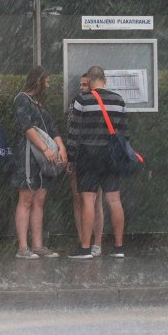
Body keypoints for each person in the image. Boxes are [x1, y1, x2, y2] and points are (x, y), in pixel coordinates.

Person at [67, 65, 127, 259]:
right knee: (114, 200)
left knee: (88, 200)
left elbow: (73, 132)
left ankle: (85, 247)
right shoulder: (118, 101)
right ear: (105, 80)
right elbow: (124, 133)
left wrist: (71, 158)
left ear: (90, 82)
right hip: (111, 156)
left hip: (89, 155)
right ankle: (118, 247)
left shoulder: (81, 100)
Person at [13, 66, 66, 260]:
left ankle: (37, 245)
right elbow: (27, 127)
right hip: (29, 155)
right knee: (26, 198)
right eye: (47, 81)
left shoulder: (40, 104)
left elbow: (52, 128)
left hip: (47, 158)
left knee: (39, 200)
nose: (48, 84)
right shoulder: (22, 99)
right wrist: (45, 149)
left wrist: (61, 148)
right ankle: (23, 247)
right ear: (38, 81)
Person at [68, 73, 104, 256]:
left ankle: (95, 243)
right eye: (80, 84)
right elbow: (71, 129)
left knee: (94, 201)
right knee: (79, 199)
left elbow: (75, 131)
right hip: (85, 156)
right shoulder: (77, 102)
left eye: (85, 84)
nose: (82, 87)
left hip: (87, 156)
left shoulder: (94, 103)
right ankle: (83, 239)